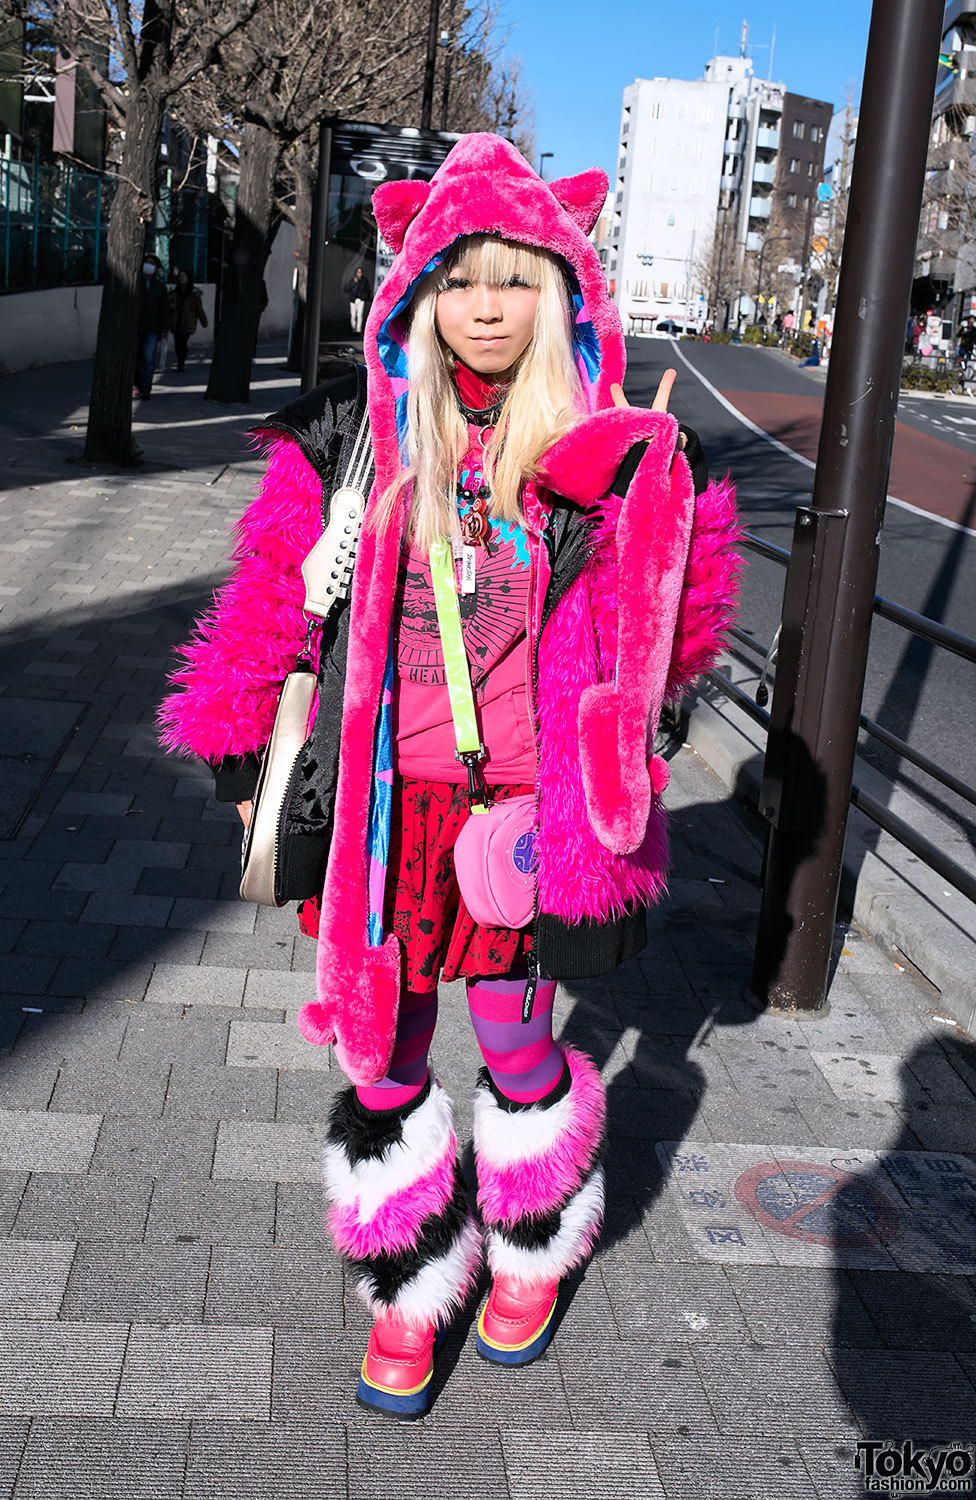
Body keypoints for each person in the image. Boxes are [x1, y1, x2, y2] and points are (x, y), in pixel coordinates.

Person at [159, 134, 740, 1421]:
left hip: (522, 818)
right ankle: (412, 1286)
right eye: (461, 278)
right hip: (380, 810)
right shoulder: (348, 442)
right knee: (383, 1054)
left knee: (518, 1047)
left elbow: (669, 652)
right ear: (419, 293)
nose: (486, 305)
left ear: (561, 294)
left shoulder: (600, 448)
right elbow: (261, 615)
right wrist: (259, 712)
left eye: (516, 279)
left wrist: (673, 532)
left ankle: (531, 1244)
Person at [134, 255, 170, 400]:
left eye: (152, 264)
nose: (148, 266)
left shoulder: (159, 287)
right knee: (136, 359)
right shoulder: (135, 283)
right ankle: (136, 385)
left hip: (153, 328)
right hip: (136, 326)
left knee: (148, 359)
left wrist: (165, 329)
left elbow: (164, 309)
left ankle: (145, 388)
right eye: (146, 263)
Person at [169, 270, 208, 372]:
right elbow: (169, 306)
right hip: (176, 321)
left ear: (188, 278)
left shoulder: (193, 293)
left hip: (188, 321)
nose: (182, 278)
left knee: (183, 342)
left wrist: (204, 321)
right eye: (180, 276)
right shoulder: (174, 292)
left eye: (184, 276)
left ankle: (181, 363)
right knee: (178, 343)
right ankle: (180, 360)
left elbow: (199, 308)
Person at [343, 263, 372, 334]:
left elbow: (367, 290)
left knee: (359, 315)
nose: (359, 274)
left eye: (361, 272)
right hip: (353, 300)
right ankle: (353, 329)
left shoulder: (364, 280)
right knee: (353, 315)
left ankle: (358, 330)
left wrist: (364, 297)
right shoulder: (353, 280)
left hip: (361, 300)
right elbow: (346, 289)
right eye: (358, 272)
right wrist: (354, 283)